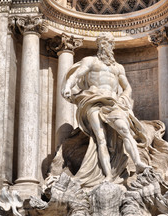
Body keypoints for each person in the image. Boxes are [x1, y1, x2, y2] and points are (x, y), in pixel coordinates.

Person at [62, 32, 150, 182]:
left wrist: (123, 97)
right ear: (99, 45)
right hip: (93, 101)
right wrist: (68, 87)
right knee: (100, 138)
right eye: (104, 43)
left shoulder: (118, 68)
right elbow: (76, 75)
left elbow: (127, 87)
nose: (107, 46)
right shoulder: (90, 61)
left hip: (112, 102)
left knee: (124, 130)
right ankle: (108, 175)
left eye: (110, 43)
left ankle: (138, 163)